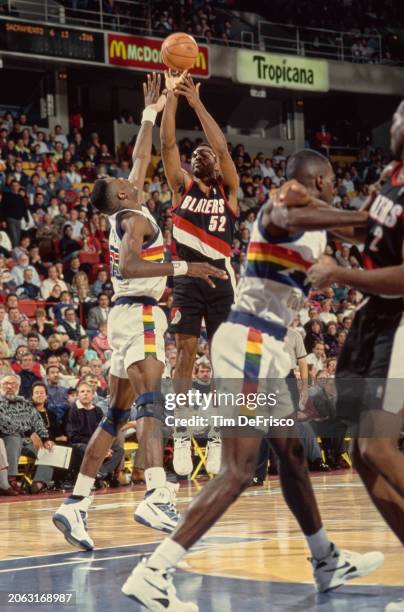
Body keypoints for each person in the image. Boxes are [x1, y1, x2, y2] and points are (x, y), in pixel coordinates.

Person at [123, 150, 384, 608]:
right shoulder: (288, 197)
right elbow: (297, 209)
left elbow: (362, 229)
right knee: (239, 470)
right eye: (330, 182)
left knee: (293, 452)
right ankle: (154, 570)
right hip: (248, 347)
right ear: (320, 180)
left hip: (267, 352)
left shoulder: (315, 224)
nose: (332, 188)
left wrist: (378, 217)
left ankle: (326, 560)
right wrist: (370, 213)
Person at [52, 74, 225, 550]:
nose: (132, 178)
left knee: (117, 413)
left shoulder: (126, 209)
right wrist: (186, 265)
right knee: (151, 403)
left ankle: (75, 505)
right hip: (142, 314)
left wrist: (150, 111)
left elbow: (141, 156)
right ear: (122, 196)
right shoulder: (132, 218)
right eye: (123, 182)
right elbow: (129, 265)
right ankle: (155, 493)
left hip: (125, 316)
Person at [308, 100, 404, 547]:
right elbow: (366, 230)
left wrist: (339, 273)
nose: (396, 121)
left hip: (400, 319)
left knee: (377, 447)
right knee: (360, 456)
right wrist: (313, 210)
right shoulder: (391, 176)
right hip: (374, 314)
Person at [161, 72, 239, 474]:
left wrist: (196, 102)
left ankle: (218, 433)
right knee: (186, 356)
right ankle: (180, 431)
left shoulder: (229, 191)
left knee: (223, 359)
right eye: (196, 156)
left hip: (223, 279)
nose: (198, 156)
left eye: (204, 154)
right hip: (188, 279)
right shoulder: (181, 188)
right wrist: (171, 99)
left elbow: (223, 149)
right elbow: (169, 144)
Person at [0, 374, 53, 495]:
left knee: (50, 451)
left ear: (18, 387)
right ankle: (11, 480)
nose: (9, 387)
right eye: (6, 384)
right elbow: (6, 423)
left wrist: (45, 439)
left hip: (29, 442)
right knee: (14, 438)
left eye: (13, 384)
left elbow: (38, 422)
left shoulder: (26, 403)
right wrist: (29, 432)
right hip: (7, 441)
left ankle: (38, 483)